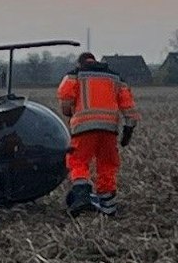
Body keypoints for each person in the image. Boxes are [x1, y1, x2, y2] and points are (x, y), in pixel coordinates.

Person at [57, 52, 140, 215]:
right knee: (107, 164)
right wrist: (128, 131)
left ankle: (82, 196)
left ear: (80, 62)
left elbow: (65, 99)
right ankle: (108, 204)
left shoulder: (75, 75)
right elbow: (129, 108)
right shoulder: (116, 78)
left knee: (78, 161)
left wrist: (69, 113)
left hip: (84, 128)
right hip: (109, 129)